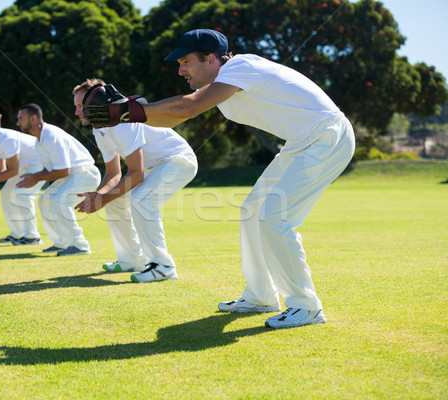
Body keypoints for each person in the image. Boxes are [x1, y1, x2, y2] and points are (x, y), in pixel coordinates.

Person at [83, 29, 355, 328]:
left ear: (211, 59)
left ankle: (305, 305)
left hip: (327, 135)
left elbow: (189, 106)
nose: (180, 70)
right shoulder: (224, 86)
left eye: (186, 61)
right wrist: (127, 114)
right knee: (252, 212)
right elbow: (174, 118)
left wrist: (130, 111)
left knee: (273, 217)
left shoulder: (241, 67)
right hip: (302, 142)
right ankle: (261, 296)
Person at [73, 78, 198, 283]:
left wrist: (102, 199)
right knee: (113, 200)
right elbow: (113, 173)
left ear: (97, 103)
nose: (77, 112)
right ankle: (131, 259)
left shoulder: (123, 123)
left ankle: (163, 266)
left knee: (141, 200)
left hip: (178, 160)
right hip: (152, 166)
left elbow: (136, 173)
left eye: (81, 106)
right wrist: (100, 196)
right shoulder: (99, 127)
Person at [16, 103, 100, 256]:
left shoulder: (51, 136)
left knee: (58, 200)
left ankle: (80, 245)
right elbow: (50, 169)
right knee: (44, 201)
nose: (17, 123)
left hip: (86, 174)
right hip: (72, 175)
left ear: (33, 118)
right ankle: (62, 242)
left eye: (21, 119)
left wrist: (36, 178)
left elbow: (63, 170)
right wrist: (33, 177)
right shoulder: (38, 140)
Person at [0, 109, 45, 245]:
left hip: (40, 162)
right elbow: (0, 170)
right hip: (23, 166)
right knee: (6, 192)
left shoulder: (7, 139)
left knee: (22, 194)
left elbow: (12, 171)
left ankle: (33, 237)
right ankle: (17, 233)